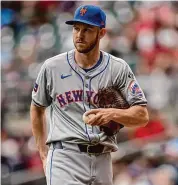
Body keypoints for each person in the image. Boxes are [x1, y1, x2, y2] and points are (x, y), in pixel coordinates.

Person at [30, 5, 149, 185]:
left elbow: (142, 115)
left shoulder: (117, 68)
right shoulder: (52, 67)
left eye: (87, 29)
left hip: (103, 157)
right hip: (65, 157)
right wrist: (43, 154)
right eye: (76, 28)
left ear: (101, 33)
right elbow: (36, 109)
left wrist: (113, 114)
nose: (79, 35)